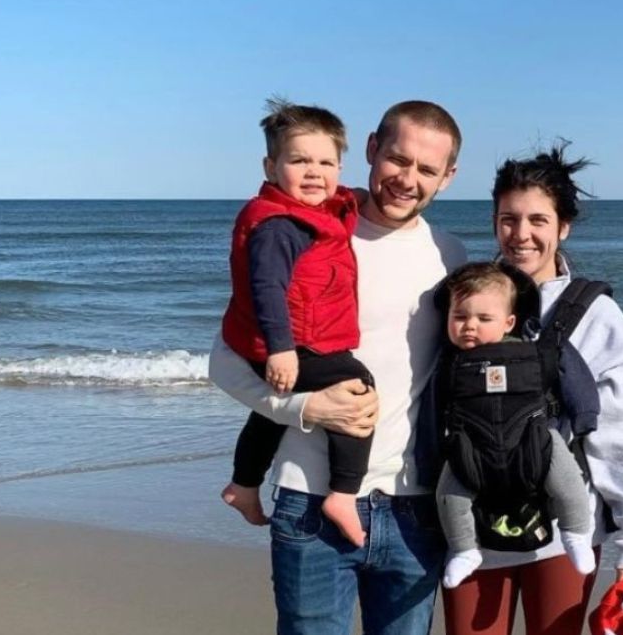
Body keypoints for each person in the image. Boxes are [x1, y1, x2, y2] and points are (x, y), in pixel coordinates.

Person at [210, 101, 467, 635]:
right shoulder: (307, 230)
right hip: (309, 501)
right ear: (372, 149)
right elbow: (226, 362)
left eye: (426, 169)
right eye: (398, 159)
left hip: (414, 507)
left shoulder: (451, 258)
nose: (407, 179)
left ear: (448, 176)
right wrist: (304, 406)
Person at [442, 144, 623, 635]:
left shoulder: (592, 314)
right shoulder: (468, 304)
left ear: (563, 226)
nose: (521, 235)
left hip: (566, 533)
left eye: (538, 220)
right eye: (508, 219)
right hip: (472, 532)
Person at [219, 97, 372, 547]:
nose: (314, 172)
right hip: (292, 343)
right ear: (270, 167)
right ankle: (343, 494)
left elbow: (347, 202)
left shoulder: (318, 213)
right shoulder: (279, 226)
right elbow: (266, 287)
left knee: (271, 414)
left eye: (326, 162)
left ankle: (243, 484)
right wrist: (281, 348)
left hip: (298, 340)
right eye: (299, 160)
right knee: (357, 385)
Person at [435, 261, 597, 589]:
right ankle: (465, 549)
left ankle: (576, 532)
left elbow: (575, 376)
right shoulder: (449, 361)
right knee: (449, 493)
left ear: (509, 321)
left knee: (567, 479)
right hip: (472, 446)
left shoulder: (533, 350)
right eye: (460, 317)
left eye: (483, 319)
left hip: (532, 438)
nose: (469, 326)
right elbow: (433, 407)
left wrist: (585, 418)